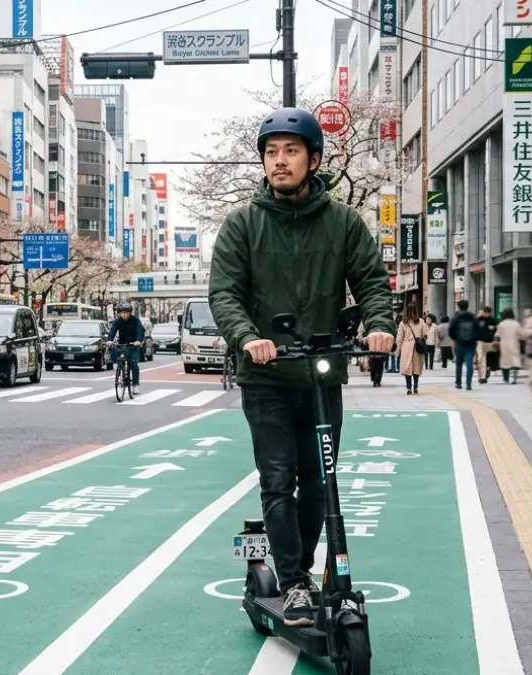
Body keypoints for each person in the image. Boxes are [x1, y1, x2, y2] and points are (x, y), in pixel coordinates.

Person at [208, 106, 395, 628]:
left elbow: (373, 283)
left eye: (291, 151)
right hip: (266, 376)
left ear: (313, 159)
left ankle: (305, 571)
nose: (279, 161)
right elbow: (225, 293)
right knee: (278, 479)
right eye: (271, 153)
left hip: (321, 376)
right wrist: (248, 338)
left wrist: (378, 323)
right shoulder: (243, 223)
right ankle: (293, 584)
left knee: (319, 482)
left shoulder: (343, 223)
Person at [105, 301, 144, 395]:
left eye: (126, 313)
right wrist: (109, 340)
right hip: (122, 343)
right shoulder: (118, 321)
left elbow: (140, 330)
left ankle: (135, 385)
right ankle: (122, 376)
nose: (124, 315)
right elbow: (113, 330)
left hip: (134, 344)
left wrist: (138, 340)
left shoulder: (135, 320)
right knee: (120, 361)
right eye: (122, 313)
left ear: (130, 312)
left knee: (134, 364)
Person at [449, 300, 480, 390]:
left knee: (459, 363)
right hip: (471, 344)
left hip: (459, 343)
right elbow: (478, 330)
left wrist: (454, 338)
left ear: (459, 307)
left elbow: (451, 330)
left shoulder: (456, 317)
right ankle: (468, 383)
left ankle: (458, 383)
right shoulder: (473, 317)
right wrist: (474, 339)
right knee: (469, 363)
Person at [397, 304, 427, 394]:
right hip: (417, 347)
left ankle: (409, 387)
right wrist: (421, 339)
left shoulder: (403, 323)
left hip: (406, 347)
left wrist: (398, 350)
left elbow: (399, 338)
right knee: (416, 368)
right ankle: (415, 387)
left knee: (407, 368)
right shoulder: (421, 321)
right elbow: (425, 334)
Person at [495, 308, 523, 383]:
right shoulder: (516, 324)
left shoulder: (502, 324)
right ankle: (514, 377)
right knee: (515, 360)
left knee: (505, 362)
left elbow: (498, 335)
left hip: (504, 344)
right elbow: (521, 334)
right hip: (514, 344)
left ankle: (506, 378)